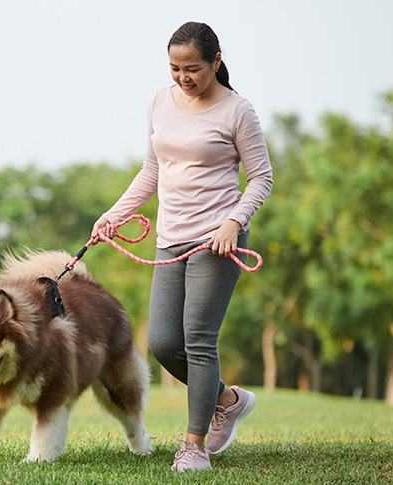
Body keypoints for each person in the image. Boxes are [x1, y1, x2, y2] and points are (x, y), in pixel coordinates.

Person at [91, 21, 273, 472]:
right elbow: (151, 171)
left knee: (198, 340)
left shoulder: (237, 111)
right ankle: (226, 399)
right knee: (164, 342)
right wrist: (114, 214)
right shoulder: (159, 101)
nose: (183, 77)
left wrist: (234, 221)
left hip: (218, 241)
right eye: (175, 68)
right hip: (170, 238)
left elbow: (261, 177)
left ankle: (194, 447)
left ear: (216, 61)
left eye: (193, 68)